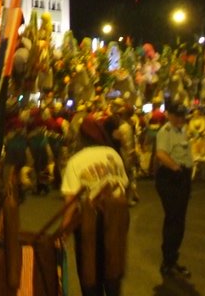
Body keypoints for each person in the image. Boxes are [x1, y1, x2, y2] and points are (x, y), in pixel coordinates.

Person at [60, 116, 129, 296]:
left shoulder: (76, 161)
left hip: (89, 222)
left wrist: (63, 232)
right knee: (113, 271)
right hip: (116, 219)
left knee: (90, 271)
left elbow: (71, 201)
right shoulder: (113, 155)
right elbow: (124, 187)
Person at [154, 101, 193, 279]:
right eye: (177, 115)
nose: (180, 118)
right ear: (169, 115)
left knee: (179, 220)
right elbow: (161, 154)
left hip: (182, 177)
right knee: (173, 218)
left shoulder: (182, 130)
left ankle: (172, 259)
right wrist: (176, 169)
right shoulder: (166, 131)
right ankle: (167, 260)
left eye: (182, 115)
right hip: (171, 177)